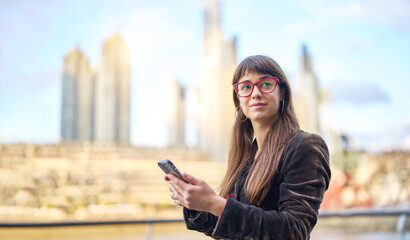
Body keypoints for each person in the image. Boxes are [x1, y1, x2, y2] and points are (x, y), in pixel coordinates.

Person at [165, 55, 331, 240]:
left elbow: (294, 231)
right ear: (238, 98)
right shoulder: (249, 156)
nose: (256, 93)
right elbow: (234, 228)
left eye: (266, 84)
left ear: (282, 92)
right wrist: (196, 202)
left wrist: (215, 204)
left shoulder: (305, 146)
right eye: (246, 87)